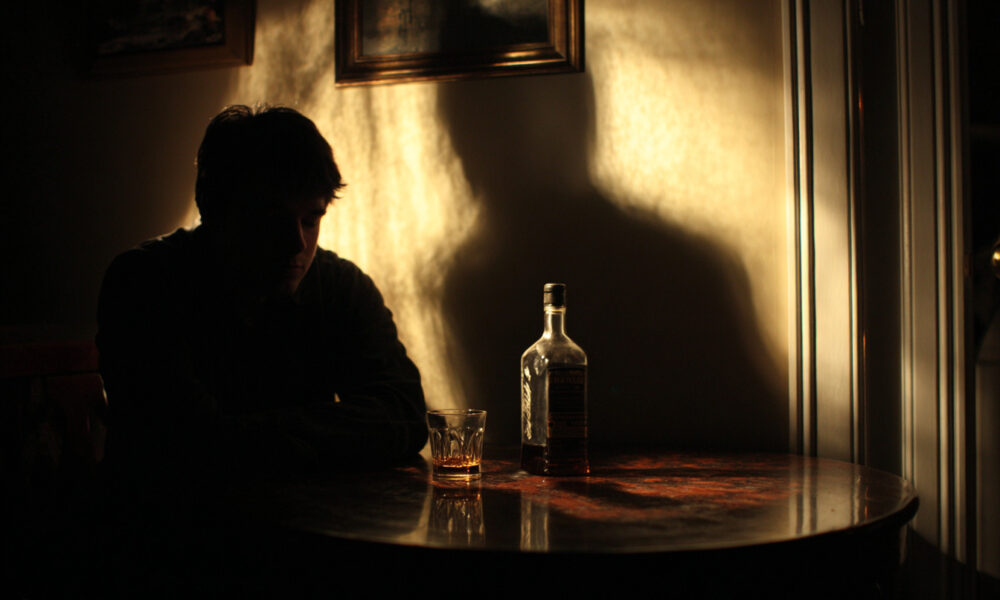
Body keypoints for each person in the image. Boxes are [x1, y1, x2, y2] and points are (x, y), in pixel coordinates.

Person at [96, 105, 427, 495]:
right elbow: (187, 443)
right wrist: (331, 431)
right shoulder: (145, 283)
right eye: (272, 219)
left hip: (305, 518)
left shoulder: (340, 286)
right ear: (214, 210)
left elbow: (404, 415)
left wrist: (252, 435)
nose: (297, 243)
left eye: (311, 220)